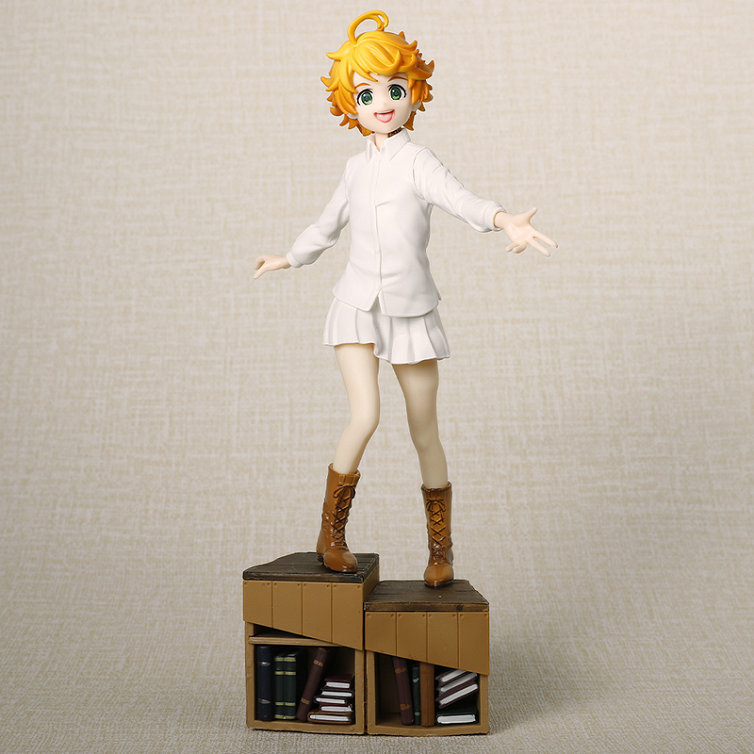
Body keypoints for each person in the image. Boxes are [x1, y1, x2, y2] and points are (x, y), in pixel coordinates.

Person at [255, 10, 556, 587]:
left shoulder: (419, 162)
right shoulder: (354, 168)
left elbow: (461, 199)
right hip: (356, 306)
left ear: (414, 92)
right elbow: (327, 225)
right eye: (366, 94)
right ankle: (330, 534)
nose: (382, 103)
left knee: (424, 428)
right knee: (364, 415)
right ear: (350, 104)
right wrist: (290, 256)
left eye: (394, 90)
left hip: (410, 311)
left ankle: (440, 550)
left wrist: (503, 219)